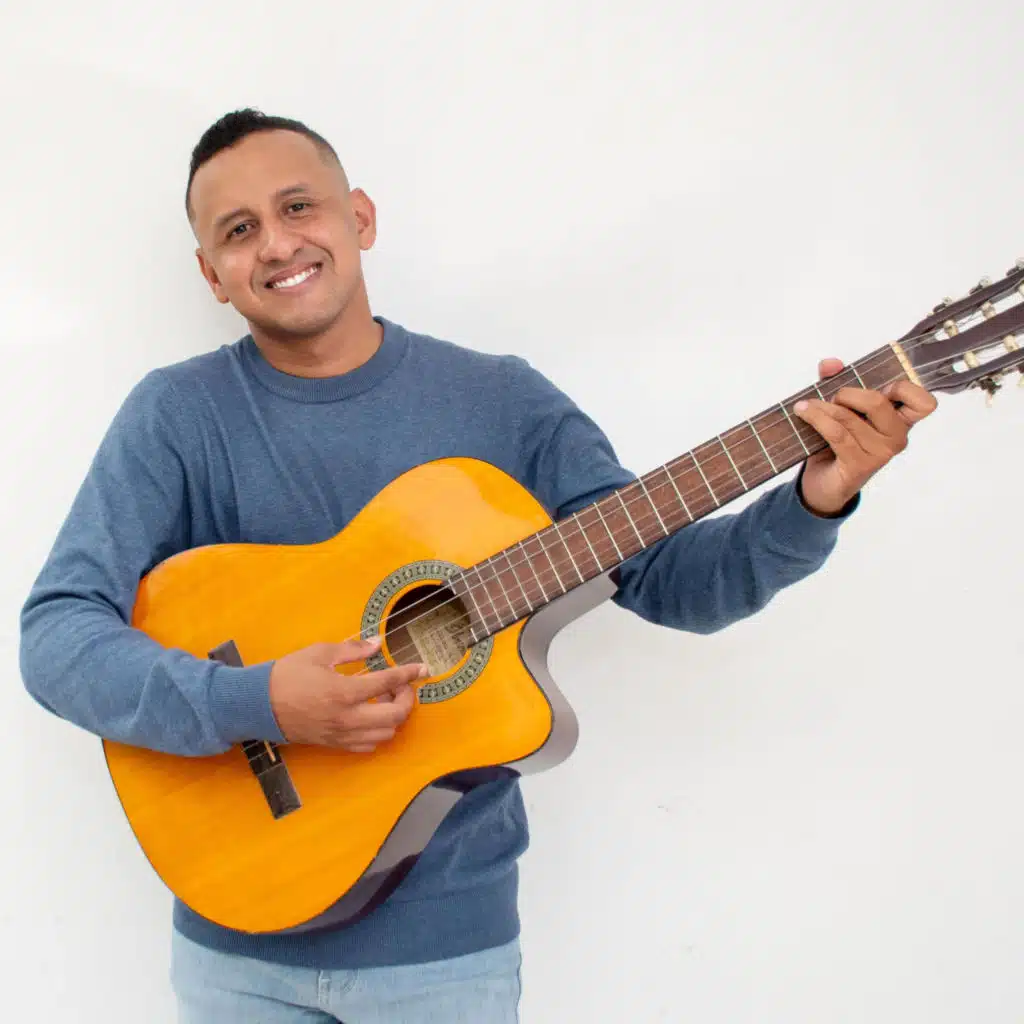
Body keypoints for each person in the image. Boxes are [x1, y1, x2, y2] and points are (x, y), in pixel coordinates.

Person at [18, 108, 937, 1023]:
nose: (278, 243)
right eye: (238, 229)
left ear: (360, 217)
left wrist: (814, 500)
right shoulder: (177, 416)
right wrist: (257, 702)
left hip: (446, 964)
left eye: (299, 206)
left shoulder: (501, 402)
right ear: (211, 274)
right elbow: (56, 636)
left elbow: (672, 584)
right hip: (234, 959)